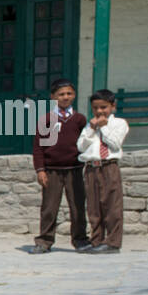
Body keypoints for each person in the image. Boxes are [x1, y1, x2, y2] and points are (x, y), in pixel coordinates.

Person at [30, 79, 90, 254]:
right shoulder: (46, 119)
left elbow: (85, 142)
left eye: (69, 94)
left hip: (74, 169)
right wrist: (40, 169)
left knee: (78, 206)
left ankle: (80, 239)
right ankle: (44, 241)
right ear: (53, 97)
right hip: (52, 171)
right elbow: (38, 147)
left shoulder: (79, 119)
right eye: (61, 94)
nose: (65, 97)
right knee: (49, 207)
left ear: (74, 95)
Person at [77, 88, 127, 254]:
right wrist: (91, 129)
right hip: (92, 168)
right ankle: (97, 240)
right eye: (96, 108)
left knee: (112, 205)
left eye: (103, 107)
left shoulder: (119, 124)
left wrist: (103, 128)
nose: (99, 111)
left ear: (113, 106)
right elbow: (80, 146)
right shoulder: (89, 125)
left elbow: (115, 144)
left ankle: (112, 242)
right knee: (93, 206)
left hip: (108, 166)